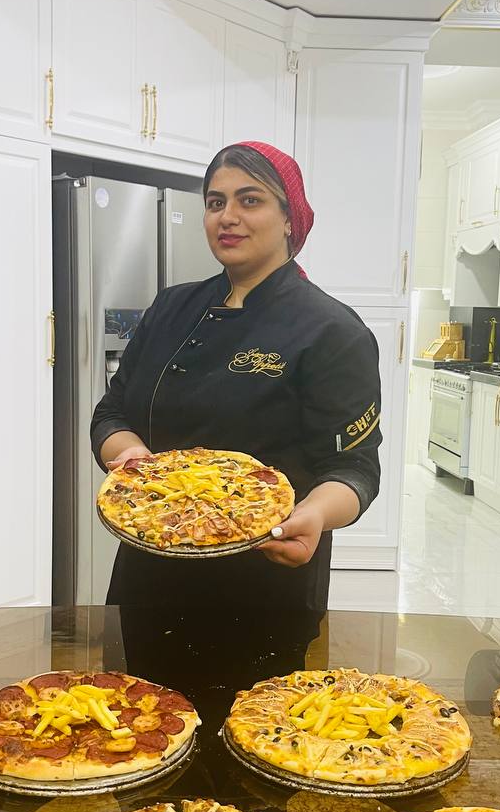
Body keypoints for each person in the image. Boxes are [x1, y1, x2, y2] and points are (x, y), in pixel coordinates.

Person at [91, 141, 381, 613]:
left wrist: (313, 513)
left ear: (289, 219)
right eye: (215, 202)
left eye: (250, 200)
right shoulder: (170, 306)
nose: (227, 217)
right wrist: (133, 461)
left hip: (263, 577)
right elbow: (112, 411)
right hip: (147, 559)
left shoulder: (332, 331)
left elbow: (355, 468)